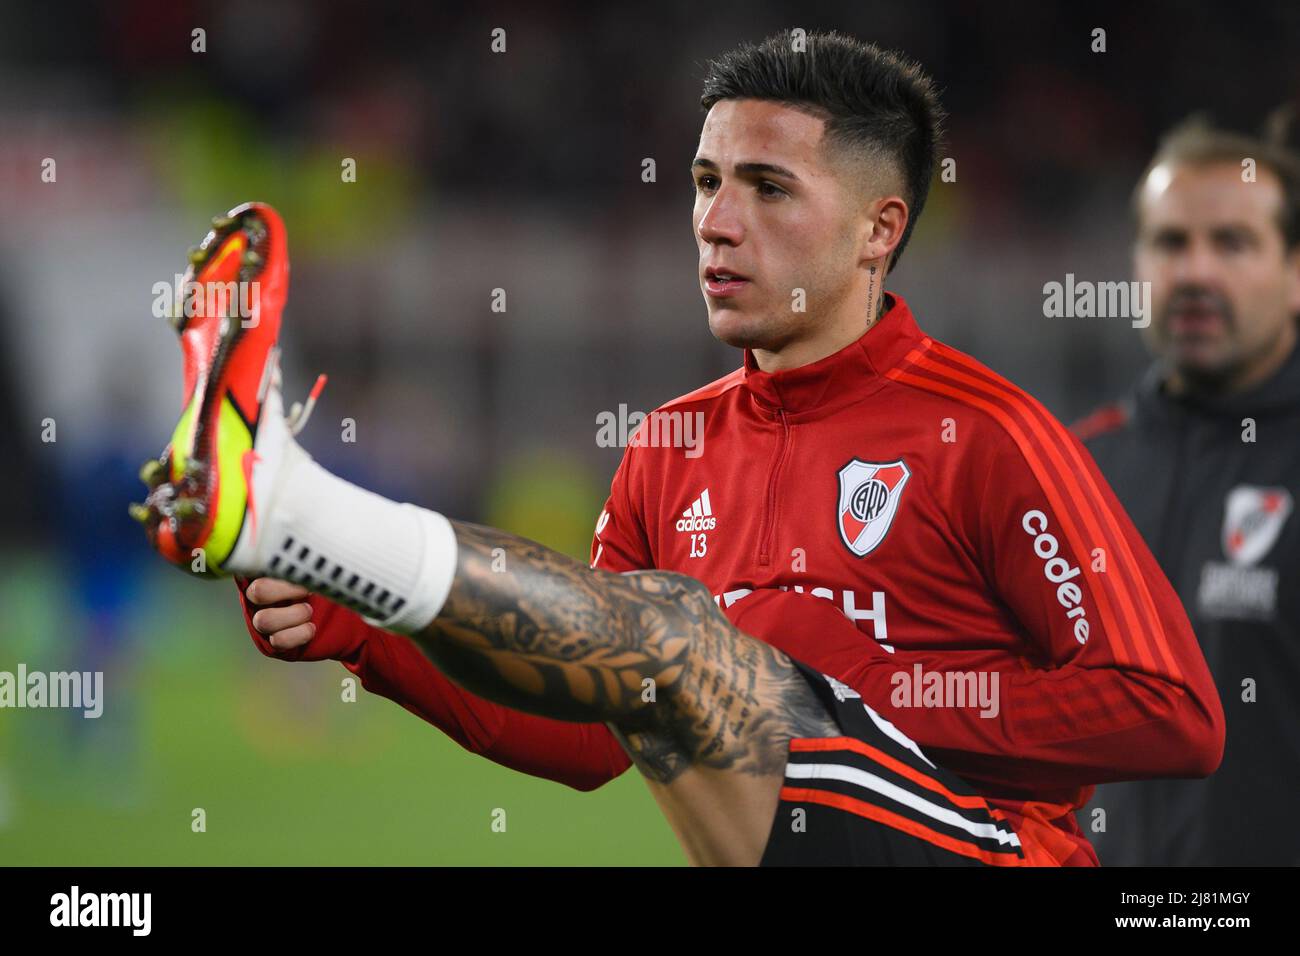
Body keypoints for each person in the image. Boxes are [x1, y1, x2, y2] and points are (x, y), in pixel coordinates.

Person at [135, 31, 1223, 866]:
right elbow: (591, 728)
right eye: (706, 182)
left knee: (681, 638)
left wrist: (875, 692)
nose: (715, 220)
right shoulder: (670, 443)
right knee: (663, 650)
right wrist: (362, 632)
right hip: (783, 836)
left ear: (878, 231)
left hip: (983, 847)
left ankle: (298, 506)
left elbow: (1169, 711)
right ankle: (314, 539)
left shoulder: (989, 432)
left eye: (767, 187)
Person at [1073, 112, 1300, 865]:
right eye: (1172, 242)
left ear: (1295, 271)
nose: (1196, 271)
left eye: (1232, 242)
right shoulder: (1072, 470)